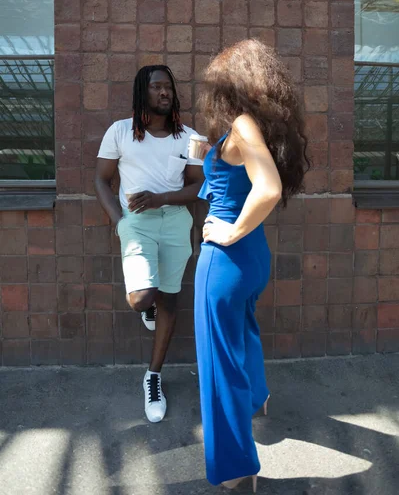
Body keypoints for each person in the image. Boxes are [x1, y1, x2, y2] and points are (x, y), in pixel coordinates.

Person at [194, 40, 309, 491]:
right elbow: (248, 180)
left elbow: (268, 189)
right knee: (245, 331)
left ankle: (238, 468)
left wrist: (228, 231)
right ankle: (258, 398)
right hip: (252, 258)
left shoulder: (241, 124)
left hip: (226, 261)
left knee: (217, 364)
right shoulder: (252, 126)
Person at [95, 65, 204, 423]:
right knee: (141, 297)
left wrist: (161, 199)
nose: (164, 92)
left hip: (174, 222)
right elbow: (101, 178)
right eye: (156, 87)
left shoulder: (191, 137)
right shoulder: (119, 132)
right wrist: (119, 221)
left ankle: (153, 376)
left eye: (168, 87)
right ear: (142, 92)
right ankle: (148, 307)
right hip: (136, 224)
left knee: (170, 299)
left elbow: (198, 188)